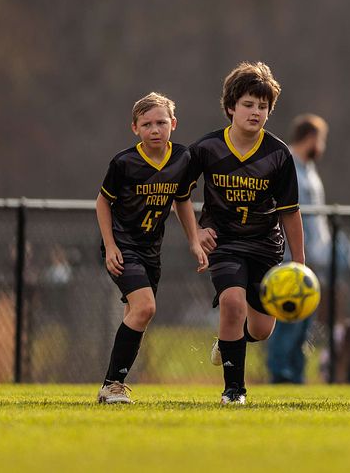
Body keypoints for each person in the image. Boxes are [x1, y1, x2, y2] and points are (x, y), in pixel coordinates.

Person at [186, 61, 305, 404]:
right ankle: (234, 391)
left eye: (262, 106)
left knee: (262, 330)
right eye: (248, 104)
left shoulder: (278, 153)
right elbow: (180, 195)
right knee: (232, 303)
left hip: (265, 246)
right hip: (224, 242)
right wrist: (196, 232)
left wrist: (299, 263)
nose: (255, 112)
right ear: (230, 107)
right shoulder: (207, 148)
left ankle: (227, 342)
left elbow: (290, 212)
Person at [95, 92, 207, 404]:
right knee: (145, 308)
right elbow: (102, 203)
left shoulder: (182, 158)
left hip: (150, 251)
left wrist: (194, 240)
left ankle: (112, 386)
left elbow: (182, 200)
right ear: (135, 128)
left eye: (161, 122)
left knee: (138, 314)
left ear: (173, 124)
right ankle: (111, 386)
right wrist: (110, 246)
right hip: (123, 246)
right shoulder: (124, 162)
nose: (154, 129)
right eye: (146, 124)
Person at [266, 113, 330, 384]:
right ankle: (280, 372)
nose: (322, 146)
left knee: (304, 319)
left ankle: (296, 374)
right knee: (286, 317)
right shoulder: (288, 162)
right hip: (289, 256)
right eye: (321, 140)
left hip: (312, 257)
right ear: (312, 138)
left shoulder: (309, 169)